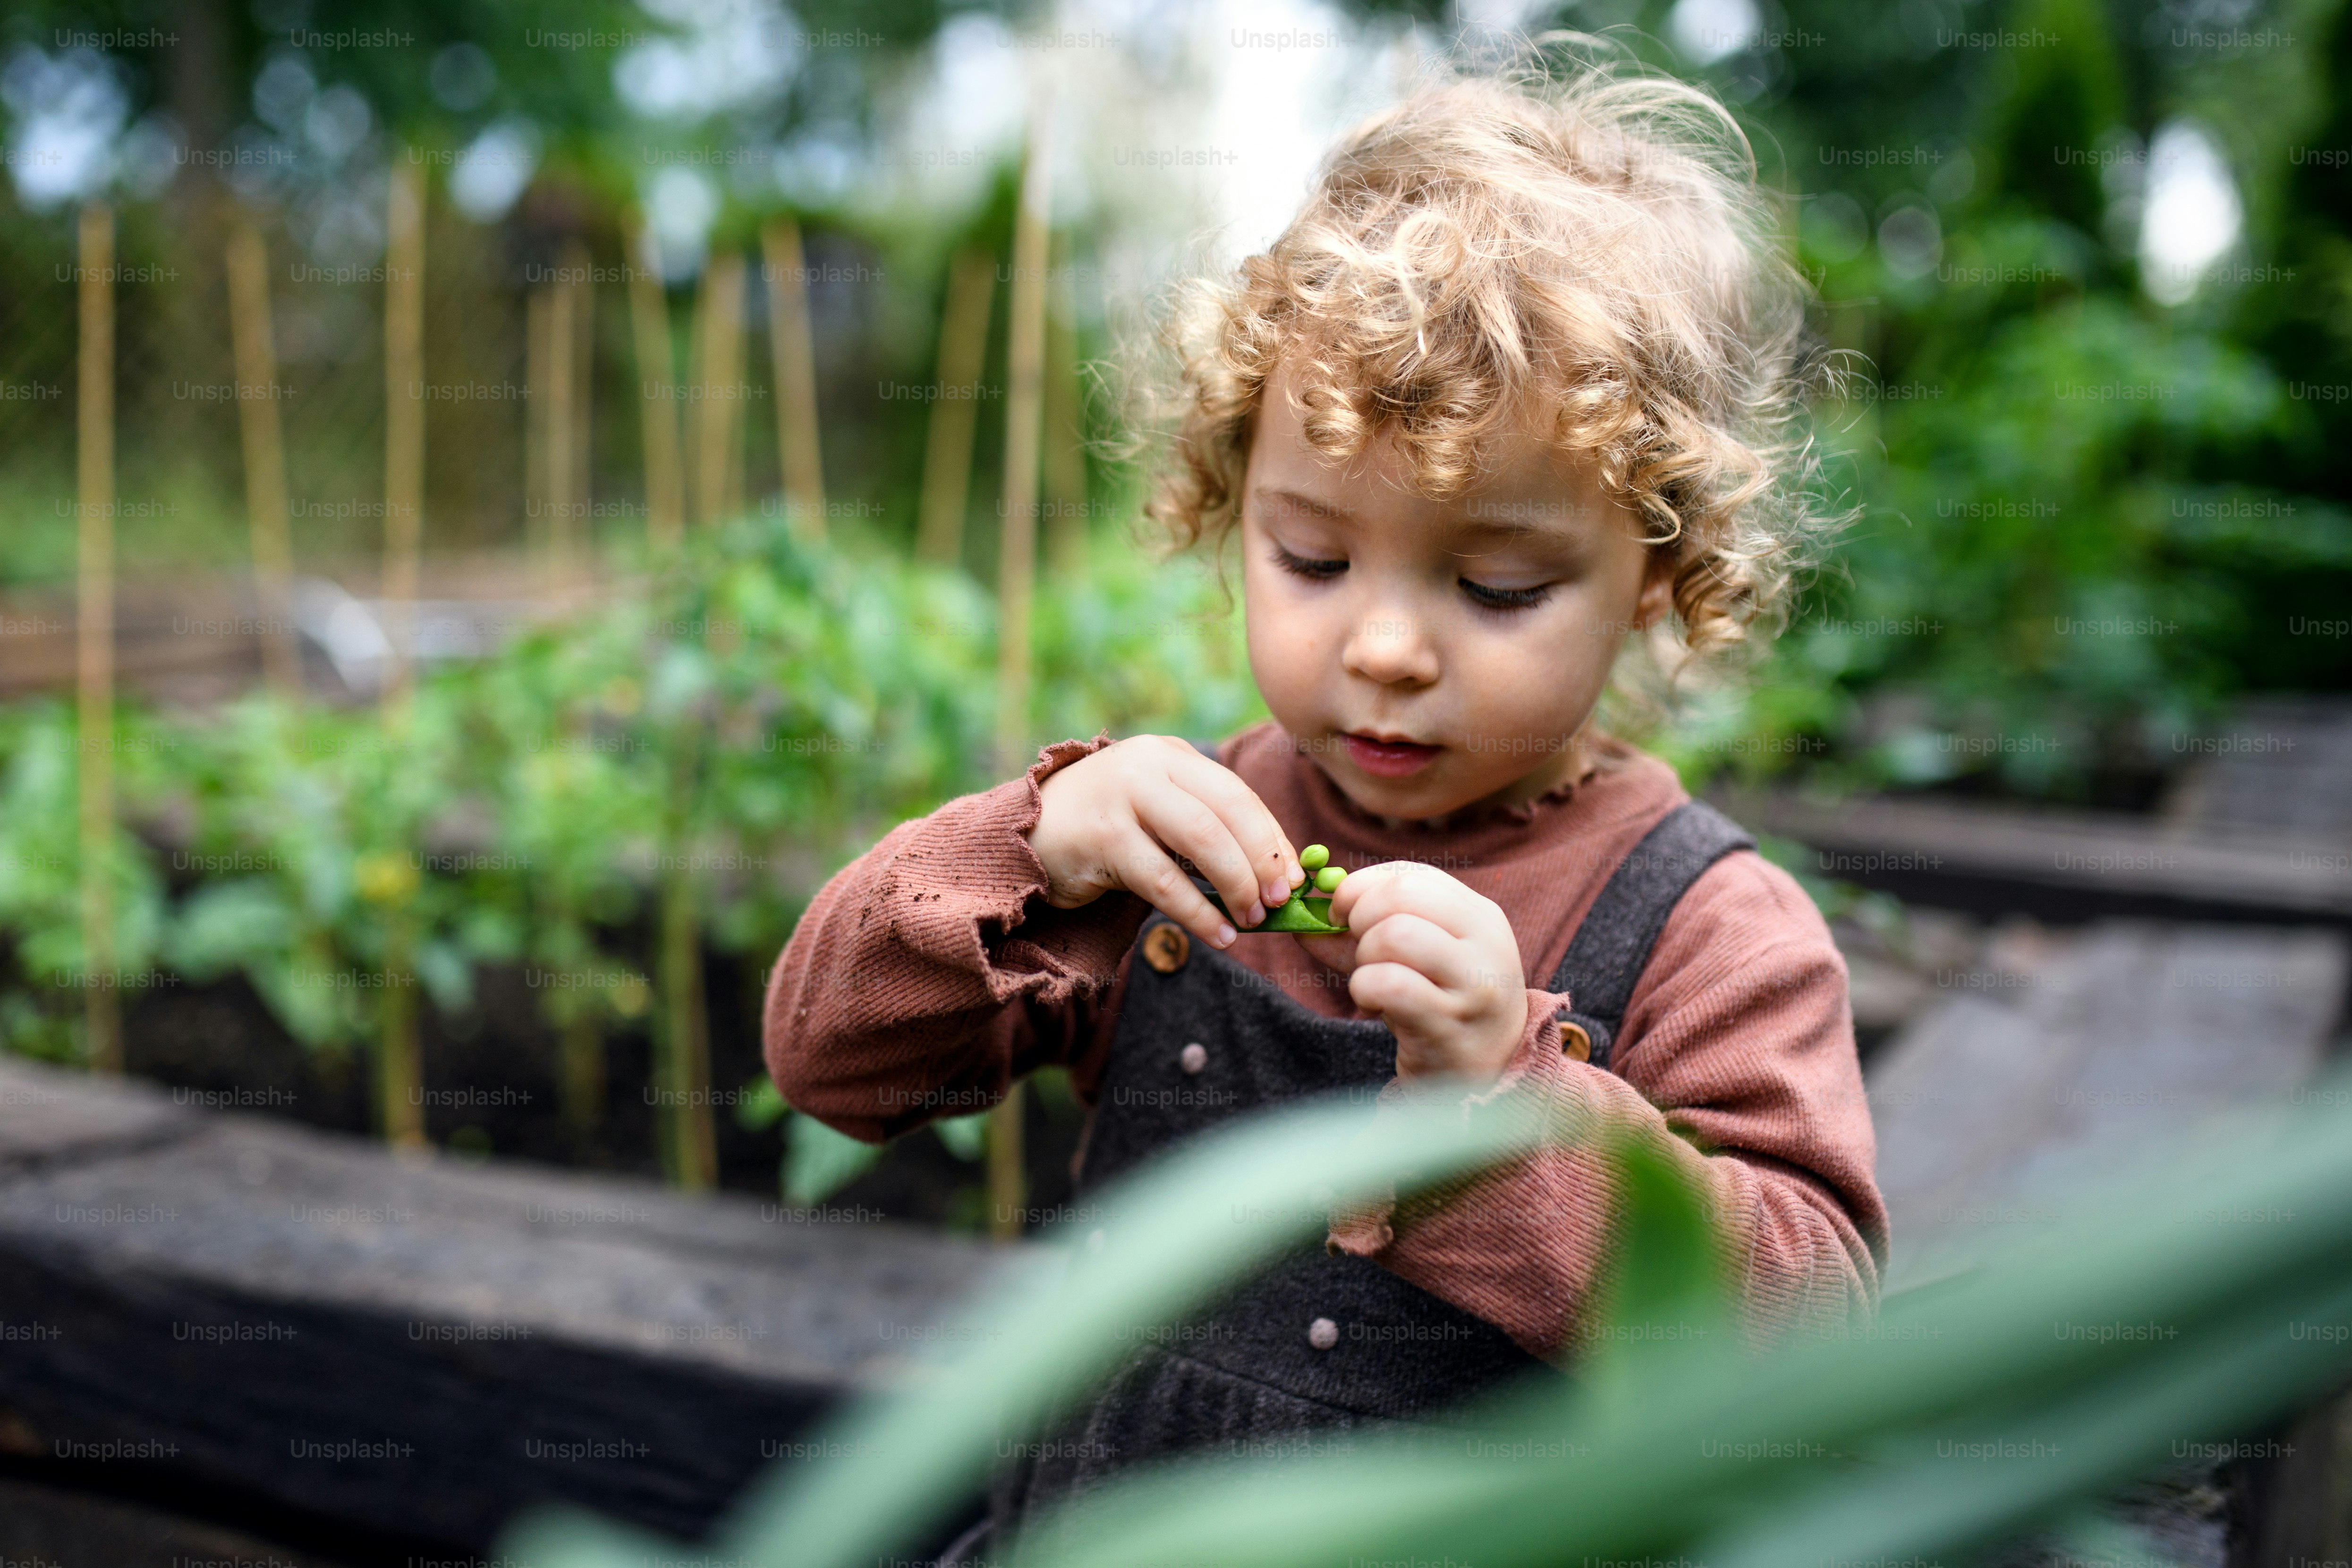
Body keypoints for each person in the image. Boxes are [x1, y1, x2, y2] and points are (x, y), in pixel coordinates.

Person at [765, 42, 1885, 1560]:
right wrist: (1027, 849)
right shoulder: (1160, 850)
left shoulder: (1707, 928)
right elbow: (832, 1063)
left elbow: (1807, 1349)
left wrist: (1509, 1099)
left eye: (1496, 583)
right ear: (1234, 505)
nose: (1384, 646)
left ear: (1658, 581)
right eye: (1310, 557)